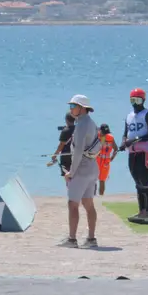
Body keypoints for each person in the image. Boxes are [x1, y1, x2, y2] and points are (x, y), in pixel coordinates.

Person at [61, 95, 101, 249]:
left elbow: (77, 152)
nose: (71, 109)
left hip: (82, 169)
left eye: (73, 106)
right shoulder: (90, 123)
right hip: (92, 168)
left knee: (73, 204)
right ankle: (91, 239)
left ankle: (72, 240)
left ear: (82, 108)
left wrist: (71, 172)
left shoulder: (82, 125)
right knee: (88, 204)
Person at [119, 87, 148, 221]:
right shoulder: (129, 116)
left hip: (145, 152)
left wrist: (135, 140)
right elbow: (125, 133)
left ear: (143, 100)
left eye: (137, 100)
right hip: (132, 153)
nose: (135, 103)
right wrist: (123, 142)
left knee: (144, 181)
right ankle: (141, 210)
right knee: (137, 182)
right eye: (132, 100)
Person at [48, 113, 75, 177]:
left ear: (66, 120)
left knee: (67, 177)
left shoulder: (65, 131)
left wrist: (54, 155)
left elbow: (61, 145)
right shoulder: (78, 129)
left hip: (66, 157)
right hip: (75, 156)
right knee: (74, 177)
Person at [95, 123, 117, 196]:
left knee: (102, 180)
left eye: (106, 133)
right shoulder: (97, 136)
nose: (105, 134)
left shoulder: (109, 137)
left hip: (104, 162)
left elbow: (116, 149)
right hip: (99, 160)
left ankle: (101, 197)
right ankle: (93, 196)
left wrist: (112, 158)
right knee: (94, 180)